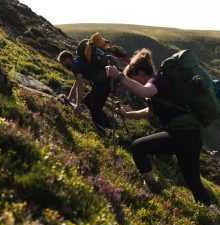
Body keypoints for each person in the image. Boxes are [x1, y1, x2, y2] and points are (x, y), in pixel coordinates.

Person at [105, 49, 211, 206]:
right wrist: (127, 114)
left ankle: (153, 187)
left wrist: (120, 76)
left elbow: (143, 91)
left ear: (141, 74)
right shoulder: (159, 87)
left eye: (134, 79)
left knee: (137, 147)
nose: (133, 84)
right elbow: (150, 112)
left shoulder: (157, 81)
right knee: (192, 181)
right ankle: (208, 212)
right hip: (192, 137)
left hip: (181, 135)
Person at [57, 45, 111, 136]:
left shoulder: (75, 66)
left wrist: (77, 105)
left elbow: (80, 85)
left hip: (103, 84)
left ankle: (101, 132)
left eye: (63, 63)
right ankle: (106, 123)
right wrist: (69, 98)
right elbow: (76, 83)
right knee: (88, 100)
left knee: (95, 107)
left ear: (66, 59)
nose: (64, 66)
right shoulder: (78, 62)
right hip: (103, 83)